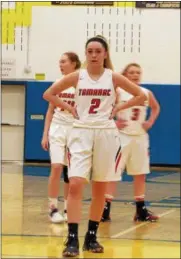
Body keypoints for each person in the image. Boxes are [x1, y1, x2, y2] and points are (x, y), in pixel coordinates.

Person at [43, 36, 147, 257]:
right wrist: (69, 109)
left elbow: (140, 95)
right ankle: (71, 238)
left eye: (97, 51)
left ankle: (91, 236)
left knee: (100, 187)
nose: (93, 55)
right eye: (89, 51)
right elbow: (48, 94)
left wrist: (119, 107)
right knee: (76, 184)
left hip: (107, 135)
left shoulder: (113, 77)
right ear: (85, 54)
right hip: (80, 132)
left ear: (105, 54)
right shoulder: (77, 76)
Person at [101, 63, 160, 222]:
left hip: (139, 137)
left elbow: (156, 108)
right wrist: (113, 122)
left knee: (140, 173)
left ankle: (140, 210)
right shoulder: (118, 91)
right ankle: (105, 210)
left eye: (138, 72)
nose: (135, 75)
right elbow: (104, 109)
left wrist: (150, 122)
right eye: (132, 72)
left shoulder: (146, 93)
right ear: (125, 75)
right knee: (113, 174)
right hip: (121, 137)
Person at [41, 52, 81, 223]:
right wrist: (45, 134)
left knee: (70, 173)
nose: (60, 64)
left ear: (74, 64)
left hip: (74, 129)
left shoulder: (81, 85)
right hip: (57, 128)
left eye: (63, 61)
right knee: (56, 166)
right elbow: (50, 110)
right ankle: (52, 208)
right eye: (59, 62)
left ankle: (67, 207)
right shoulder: (57, 84)